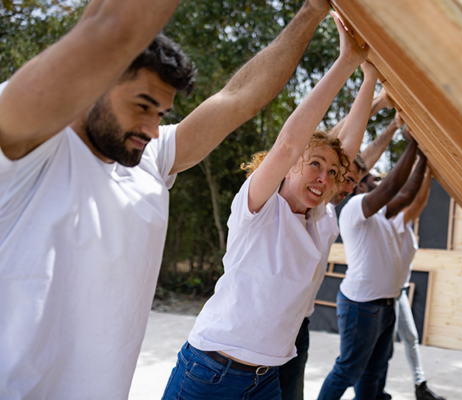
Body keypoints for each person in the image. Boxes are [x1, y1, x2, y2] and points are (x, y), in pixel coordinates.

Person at [0, 0, 335, 398]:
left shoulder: (149, 158)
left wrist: (313, 10)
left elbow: (240, 98)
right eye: (142, 106)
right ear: (93, 81)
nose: (152, 128)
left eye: (160, 114)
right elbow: (106, 28)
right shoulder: (27, 150)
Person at [161, 11, 368, 400]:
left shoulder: (319, 221)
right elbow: (290, 142)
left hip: (266, 379)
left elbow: (348, 154)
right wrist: (347, 63)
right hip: (211, 372)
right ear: (290, 167)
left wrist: (369, 78)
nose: (324, 177)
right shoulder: (258, 208)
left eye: (332, 173)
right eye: (315, 165)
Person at [278, 76, 397, 400]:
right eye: (337, 176)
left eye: (350, 182)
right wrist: (376, 102)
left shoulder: (327, 211)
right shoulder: (301, 202)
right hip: (266, 328)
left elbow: (358, 160)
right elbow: (326, 147)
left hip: (297, 328)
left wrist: (394, 126)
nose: (346, 186)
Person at [317, 129, 426, 400]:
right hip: (362, 306)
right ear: (362, 186)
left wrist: (423, 157)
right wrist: (413, 143)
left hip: (386, 304)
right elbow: (392, 188)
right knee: (349, 370)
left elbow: (405, 194)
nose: (382, 182)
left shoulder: (383, 215)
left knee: (376, 371)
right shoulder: (355, 207)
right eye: (375, 179)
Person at [386, 165, 446, 400]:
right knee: (384, 348)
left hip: (399, 293)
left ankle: (420, 386)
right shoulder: (396, 221)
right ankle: (370, 389)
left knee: (410, 337)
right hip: (389, 294)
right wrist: (426, 170)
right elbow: (418, 200)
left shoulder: (405, 225)